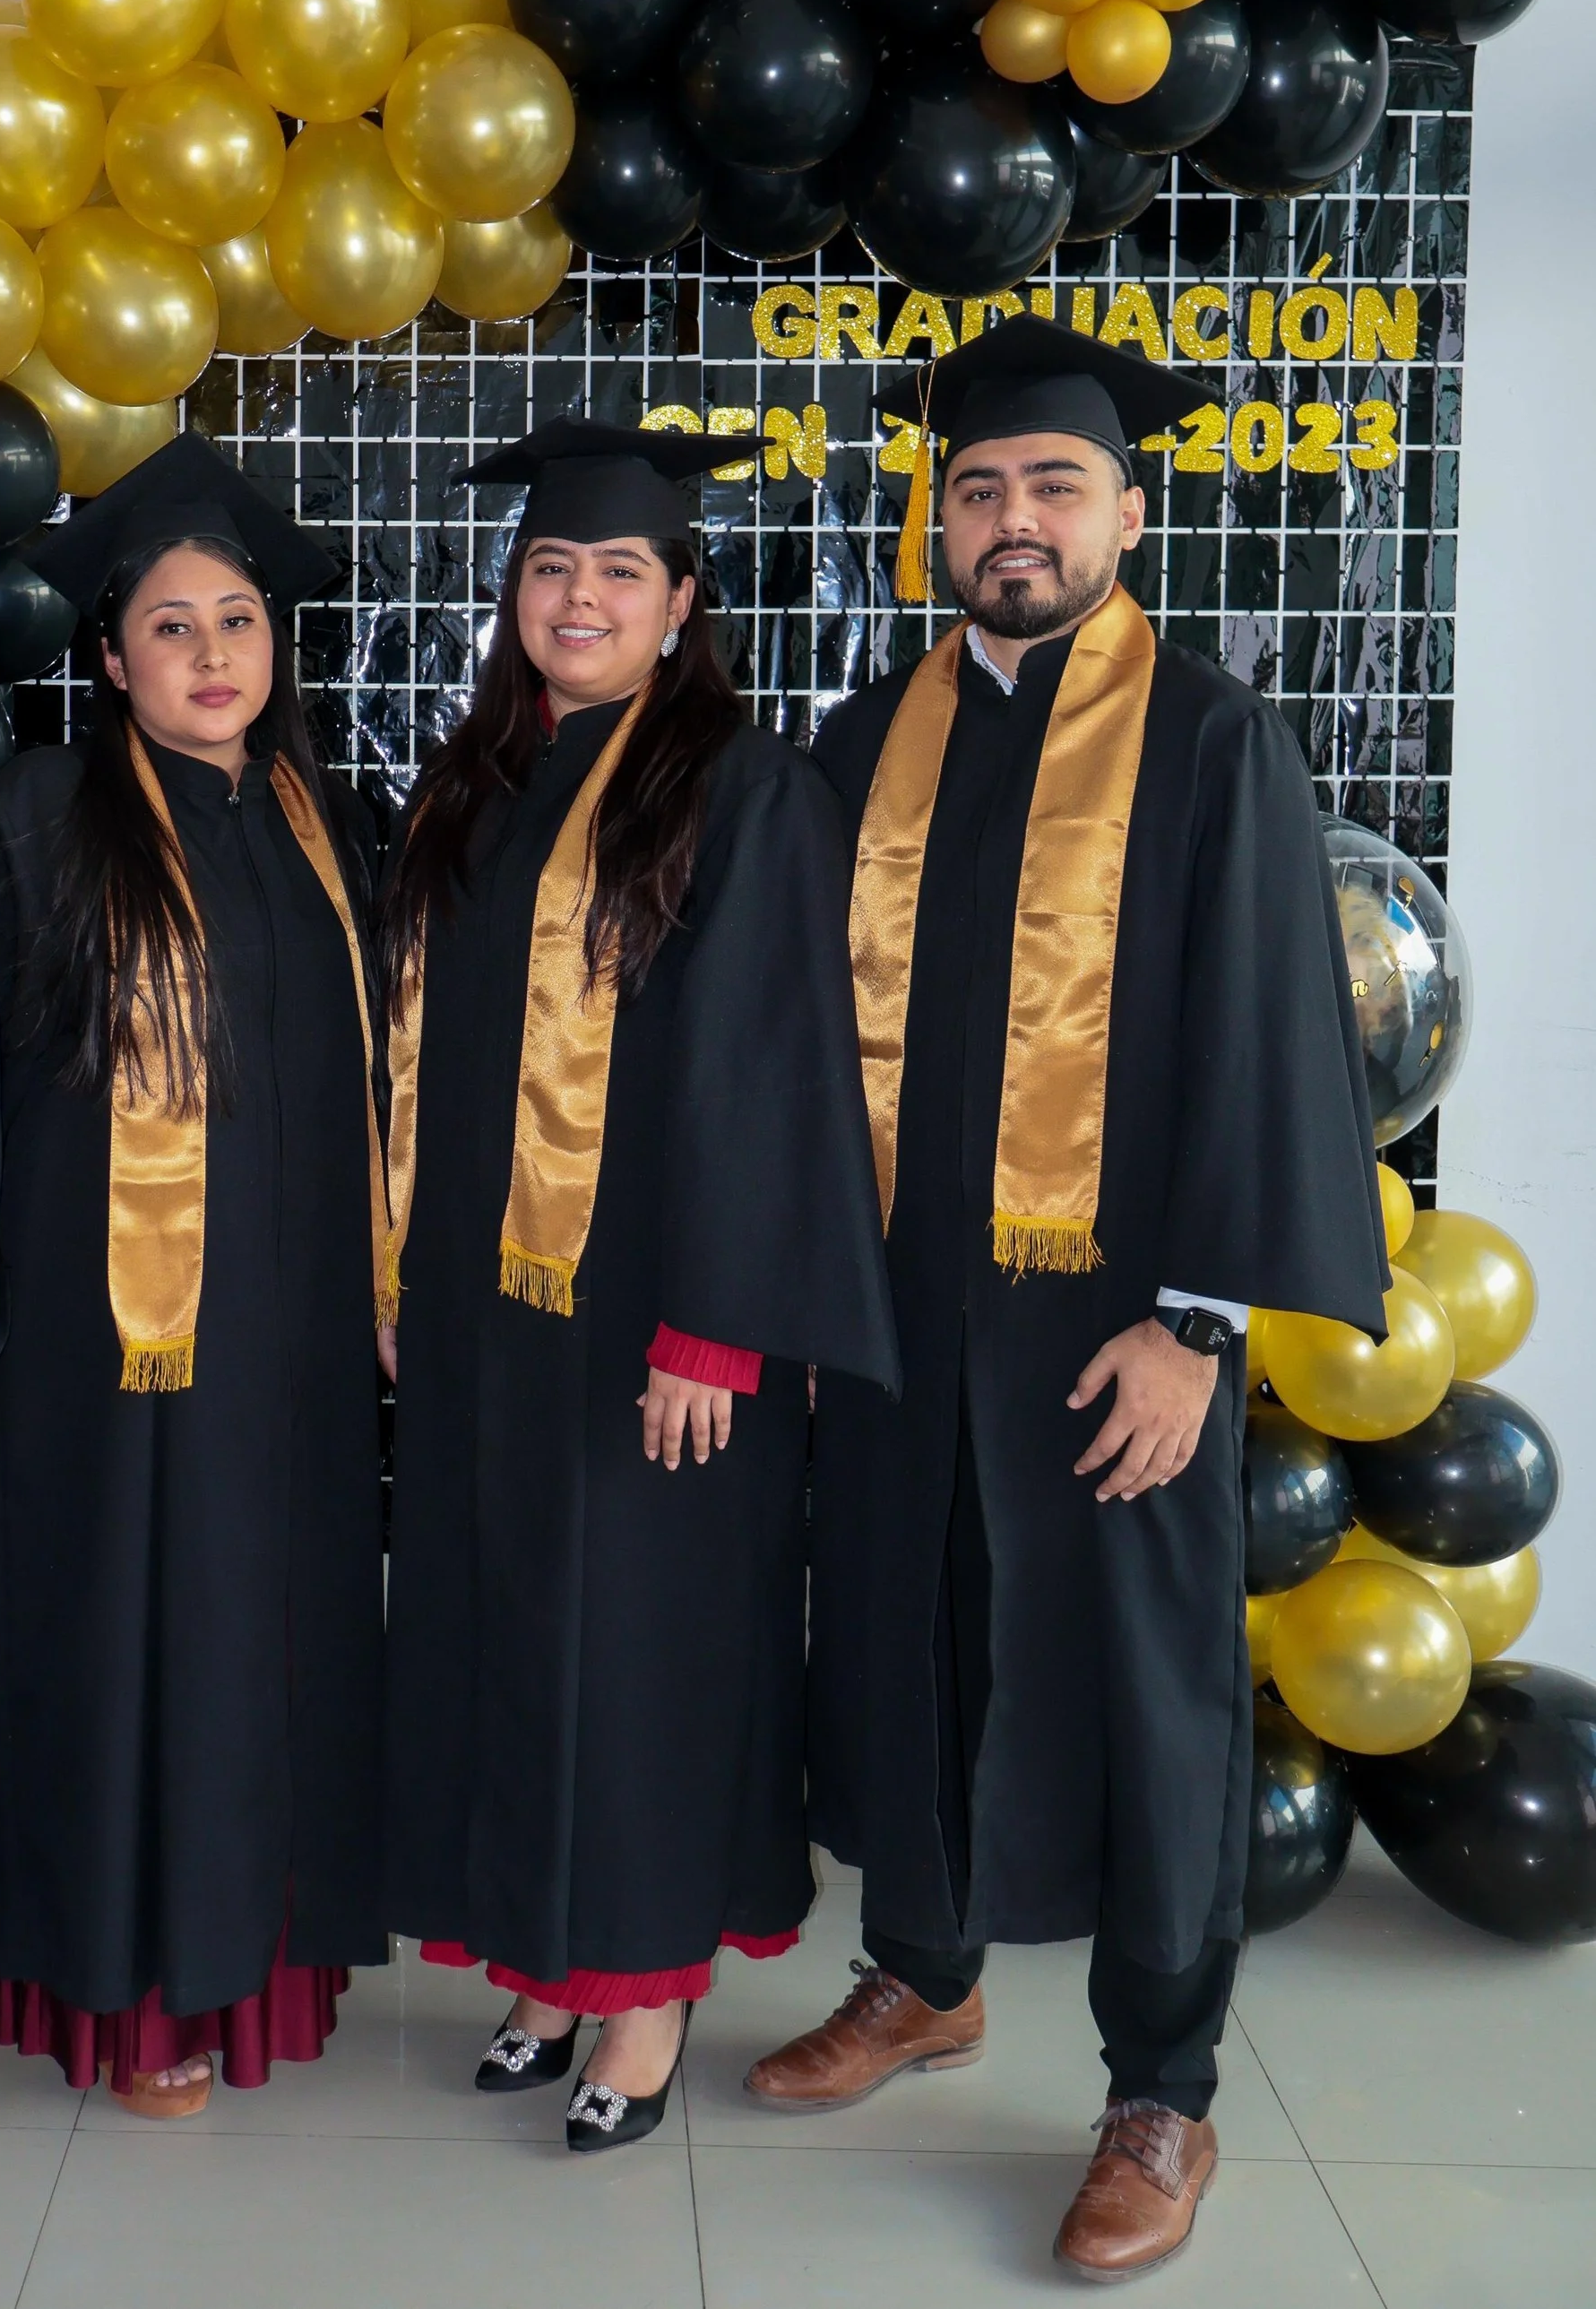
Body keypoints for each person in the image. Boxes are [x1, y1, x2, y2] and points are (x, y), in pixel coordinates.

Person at [746, 317, 1390, 2282]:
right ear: (932, 519)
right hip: (894, 1319)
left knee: (1135, 1685)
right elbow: (781, 1042)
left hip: (1108, 1330)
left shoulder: (1204, 738)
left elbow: (1275, 1051)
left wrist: (1196, 1323)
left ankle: (1160, 2088)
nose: (1007, 520)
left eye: (1047, 485)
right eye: (974, 488)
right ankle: (922, 1970)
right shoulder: (865, 742)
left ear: (1128, 504)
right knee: (897, 1640)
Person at [379, 416, 896, 2154]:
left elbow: (770, 1072)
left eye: (616, 570)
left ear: (681, 600)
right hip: (483, 1314)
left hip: (655, 1324)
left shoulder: (741, 786)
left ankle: (648, 1987)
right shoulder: (484, 777)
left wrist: (717, 1325)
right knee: (506, 1634)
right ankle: (545, 1959)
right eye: (549, 567)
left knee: (645, 1658)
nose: (577, 594)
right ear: (512, 594)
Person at [0, 432, 389, 2119]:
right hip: (105, 1339)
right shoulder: (36, 815)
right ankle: (134, 1995)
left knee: (276, 1639)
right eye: (174, 627)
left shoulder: (319, 813)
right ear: (112, 653)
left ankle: (264, 1963)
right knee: (131, 1641)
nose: (214, 657)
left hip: (296, 1340)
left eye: (239, 622)